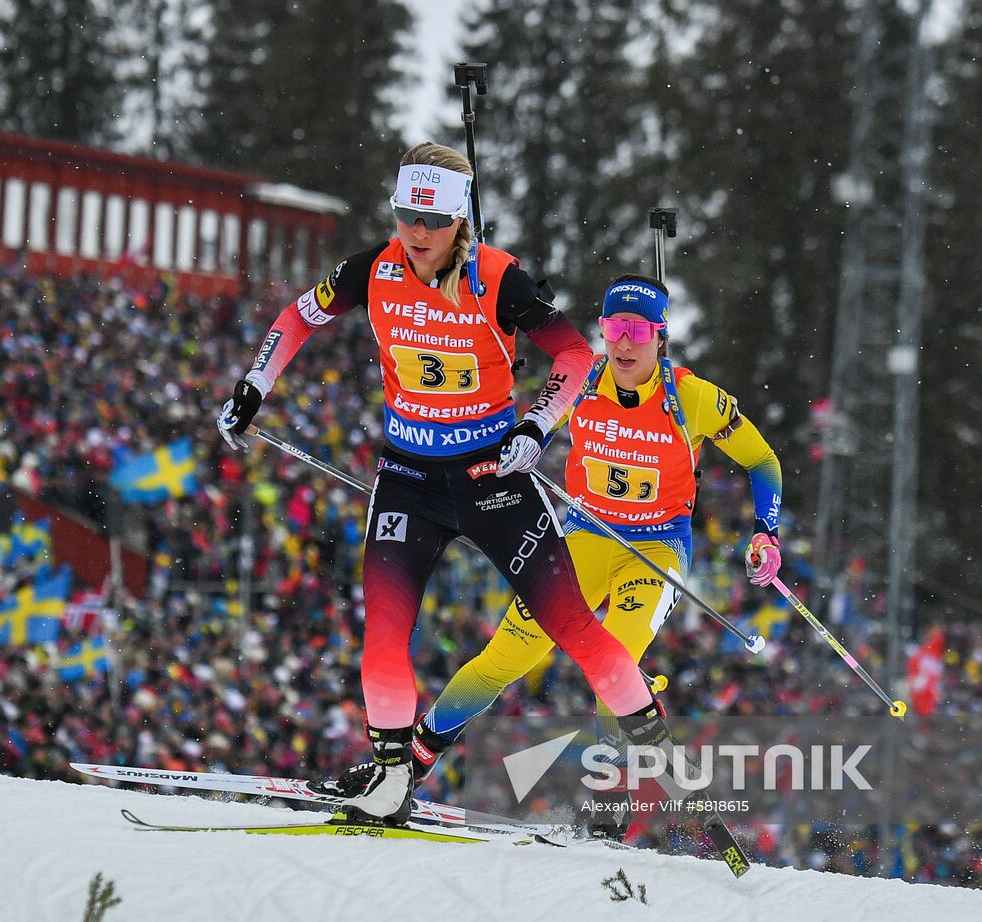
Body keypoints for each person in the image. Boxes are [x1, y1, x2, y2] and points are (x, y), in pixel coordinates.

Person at [216, 142, 661, 824]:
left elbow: (575, 353)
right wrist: (255, 383)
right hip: (408, 480)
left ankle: (653, 751)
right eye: (404, 216)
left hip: (492, 477)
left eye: (431, 220)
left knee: (570, 622)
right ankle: (391, 779)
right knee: (384, 635)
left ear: (459, 220)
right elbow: (300, 315)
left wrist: (536, 426)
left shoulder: (497, 277)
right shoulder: (374, 267)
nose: (416, 233)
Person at [407, 273, 785, 837]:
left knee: (613, 663)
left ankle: (612, 804)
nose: (623, 344)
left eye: (636, 331)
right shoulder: (581, 382)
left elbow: (763, 461)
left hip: (654, 549)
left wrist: (765, 532)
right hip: (583, 537)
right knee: (506, 658)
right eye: (613, 329)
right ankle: (410, 760)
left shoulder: (695, 398)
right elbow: (514, 422)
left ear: (660, 336)